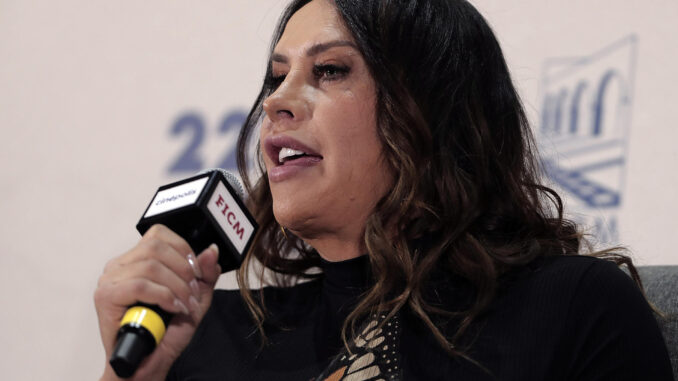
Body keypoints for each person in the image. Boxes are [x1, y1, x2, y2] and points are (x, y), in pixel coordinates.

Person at [95, 0, 674, 380]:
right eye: (276, 78)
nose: (275, 101)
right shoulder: (202, 331)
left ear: (432, 110)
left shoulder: (570, 308)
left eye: (330, 71)